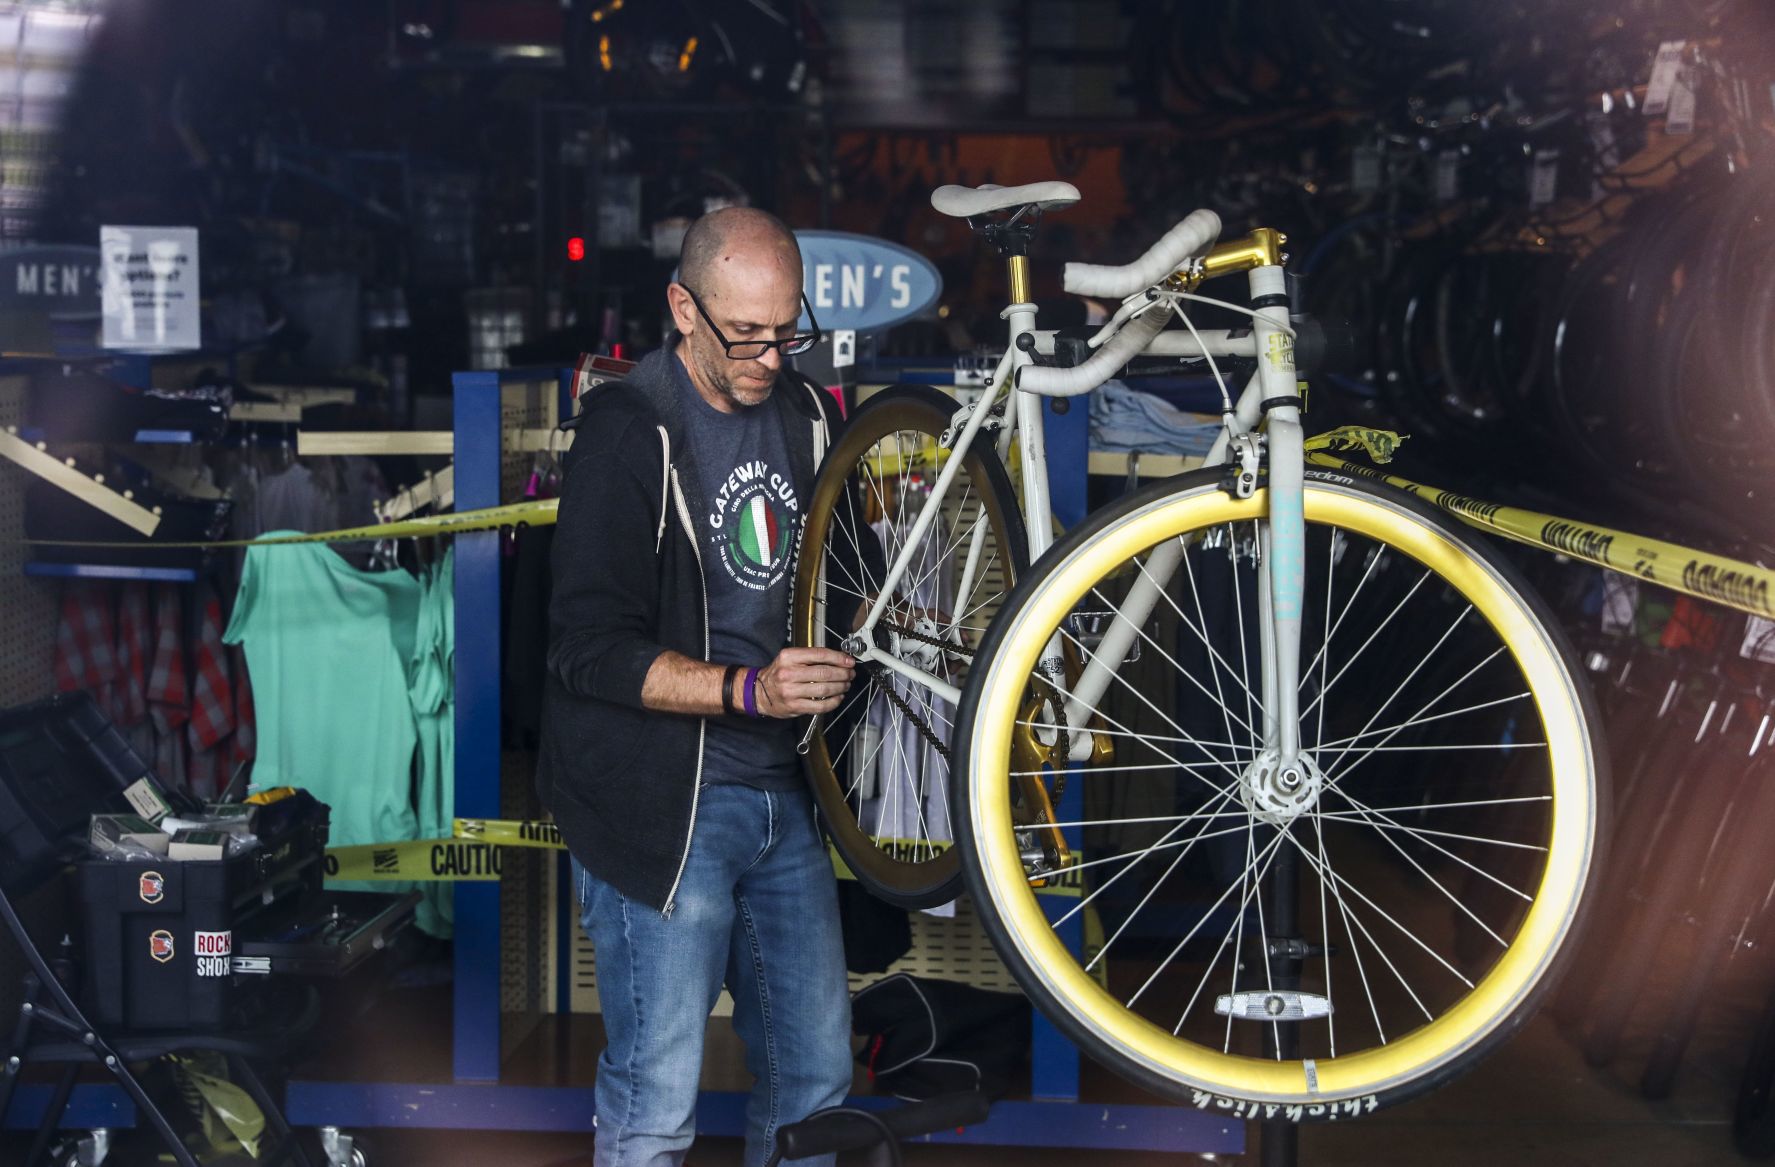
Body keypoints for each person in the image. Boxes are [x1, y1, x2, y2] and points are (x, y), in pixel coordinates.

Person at [539, 206, 868, 1167]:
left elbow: (844, 579)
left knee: (816, 1078)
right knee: (656, 1095)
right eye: (744, 334)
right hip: (663, 810)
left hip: (785, 800)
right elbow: (585, 649)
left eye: (786, 330)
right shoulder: (627, 432)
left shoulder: (809, 415)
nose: (769, 355)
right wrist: (749, 692)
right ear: (683, 308)